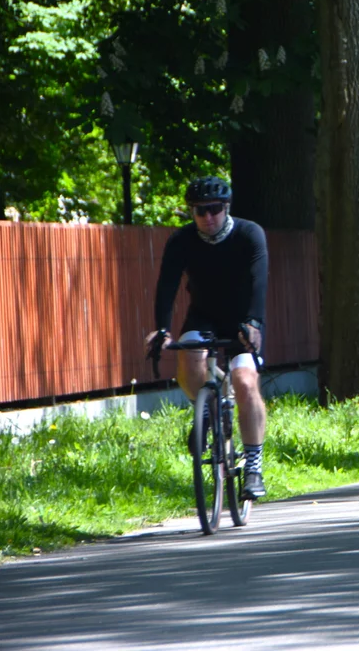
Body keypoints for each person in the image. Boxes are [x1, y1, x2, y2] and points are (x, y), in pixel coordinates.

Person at [144, 176, 270, 499]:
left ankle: (253, 467)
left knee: (244, 381)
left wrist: (254, 323)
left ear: (226, 207)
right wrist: (162, 328)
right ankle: (207, 410)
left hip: (243, 320)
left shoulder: (248, 234)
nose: (207, 217)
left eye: (214, 209)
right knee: (188, 363)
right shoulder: (182, 241)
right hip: (204, 316)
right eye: (200, 211)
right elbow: (167, 287)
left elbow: (259, 280)